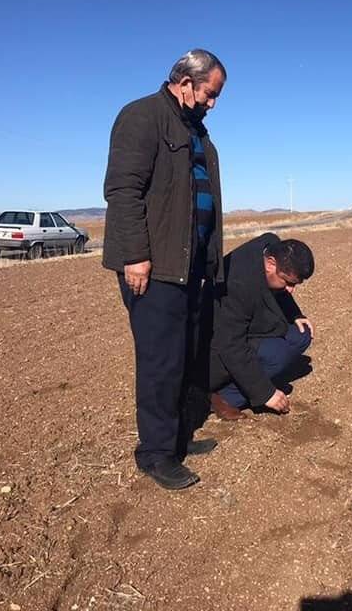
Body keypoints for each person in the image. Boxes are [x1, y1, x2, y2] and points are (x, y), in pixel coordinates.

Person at [102, 49, 226, 490]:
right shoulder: (142, 116)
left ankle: (174, 440)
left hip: (188, 267)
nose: (213, 103)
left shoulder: (196, 131)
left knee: (184, 355)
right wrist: (136, 255)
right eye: (210, 94)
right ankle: (155, 454)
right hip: (154, 268)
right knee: (161, 361)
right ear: (186, 82)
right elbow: (123, 190)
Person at [209, 234, 315, 419]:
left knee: (301, 334)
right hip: (213, 348)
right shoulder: (236, 284)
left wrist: (295, 314)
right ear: (271, 264)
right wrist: (265, 392)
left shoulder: (271, 246)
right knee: (278, 355)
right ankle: (221, 396)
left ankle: (249, 379)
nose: (291, 290)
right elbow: (230, 345)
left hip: (248, 326)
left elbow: (281, 293)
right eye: (288, 283)